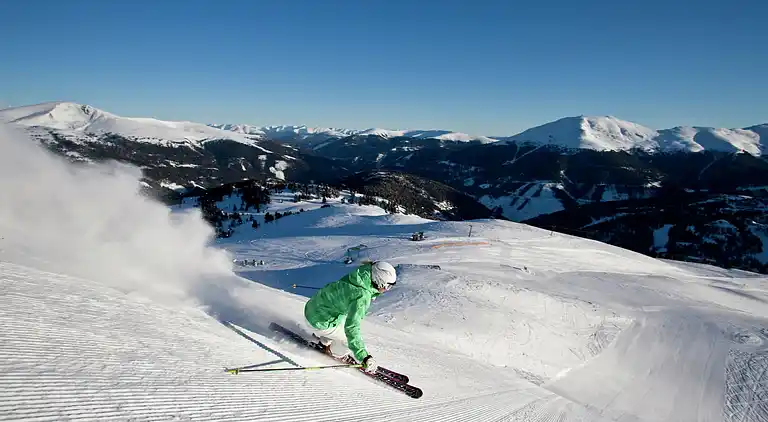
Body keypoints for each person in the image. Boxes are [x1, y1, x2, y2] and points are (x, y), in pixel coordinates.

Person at [303, 260, 397, 373]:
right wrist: (363, 356)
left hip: (312, 307)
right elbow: (352, 327)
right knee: (347, 340)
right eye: (387, 286)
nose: (386, 289)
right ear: (379, 281)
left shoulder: (359, 276)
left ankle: (326, 340)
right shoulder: (363, 296)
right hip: (319, 321)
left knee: (342, 319)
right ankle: (334, 353)